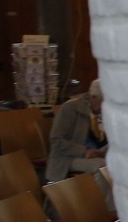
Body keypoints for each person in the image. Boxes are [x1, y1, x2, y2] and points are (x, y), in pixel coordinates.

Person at [47, 79, 113, 209]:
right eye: (103, 102)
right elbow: (56, 141)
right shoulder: (70, 108)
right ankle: (101, 210)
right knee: (102, 166)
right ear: (93, 97)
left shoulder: (101, 112)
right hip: (68, 157)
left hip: (95, 153)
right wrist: (84, 151)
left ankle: (119, 209)